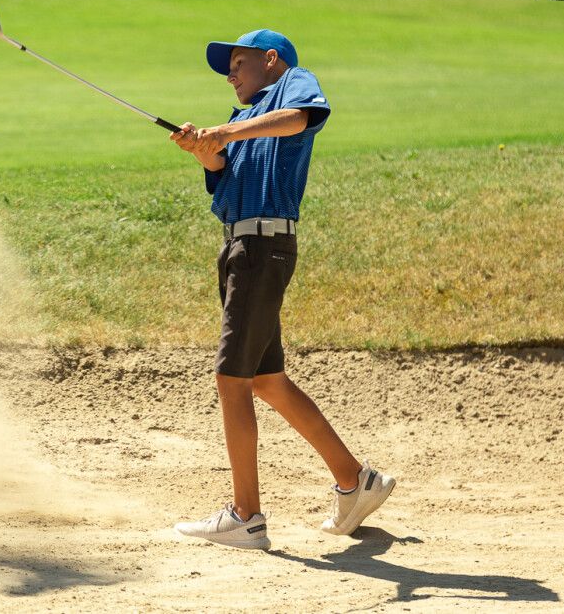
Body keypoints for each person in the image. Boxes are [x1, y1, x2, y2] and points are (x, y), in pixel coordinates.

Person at [169, 28, 395, 550]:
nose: (230, 73)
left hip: (261, 250)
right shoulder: (244, 120)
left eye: (238, 62)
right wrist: (203, 149)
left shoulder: (294, 83)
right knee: (266, 380)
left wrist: (222, 132)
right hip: (240, 250)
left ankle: (246, 516)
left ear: (270, 60)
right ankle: (354, 480)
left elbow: (297, 120)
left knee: (232, 379)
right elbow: (223, 175)